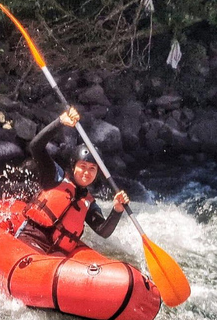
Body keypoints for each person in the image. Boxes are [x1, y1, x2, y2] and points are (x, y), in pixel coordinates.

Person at [15, 107, 130, 255]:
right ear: (73, 166)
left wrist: (117, 210)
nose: (87, 173)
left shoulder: (89, 203)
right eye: (83, 166)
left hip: (56, 255)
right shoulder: (55, 177)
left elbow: (103, 231)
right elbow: (35, 147)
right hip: (31, 241)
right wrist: (60, 122)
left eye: (92, 169)